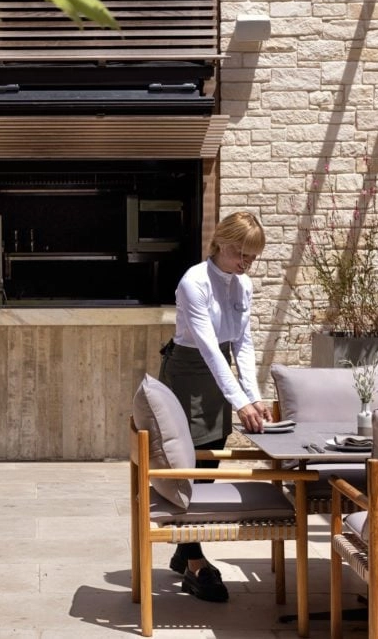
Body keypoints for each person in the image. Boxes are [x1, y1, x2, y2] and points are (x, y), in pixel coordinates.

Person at [158, 210, 272, 603]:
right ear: (221, 242)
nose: (246, 263)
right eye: (241, 253)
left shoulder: (244, 284)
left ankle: (186, 546)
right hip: (189, 371)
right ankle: (195, 564)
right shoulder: (194, 282)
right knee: (188, 467)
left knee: (210, 465)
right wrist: (239, 401)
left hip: (218, 371)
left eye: (252, 257)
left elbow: (243, 343)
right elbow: (207, 347)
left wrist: (253, 395)